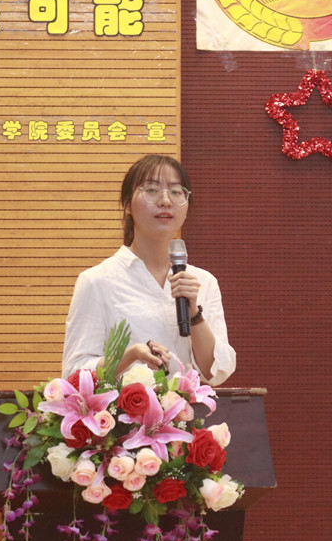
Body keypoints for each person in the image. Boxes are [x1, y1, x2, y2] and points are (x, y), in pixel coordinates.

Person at [62, 154, 236, 386]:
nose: (165, 200)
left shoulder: (203, 281)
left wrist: (194, 313)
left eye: (176, 191)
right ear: (127, 204)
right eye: (151, 190)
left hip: (187, 408)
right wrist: (128, 356)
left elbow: (215, 373)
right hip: (123, 409)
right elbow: (74, 373)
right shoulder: (97, 281)